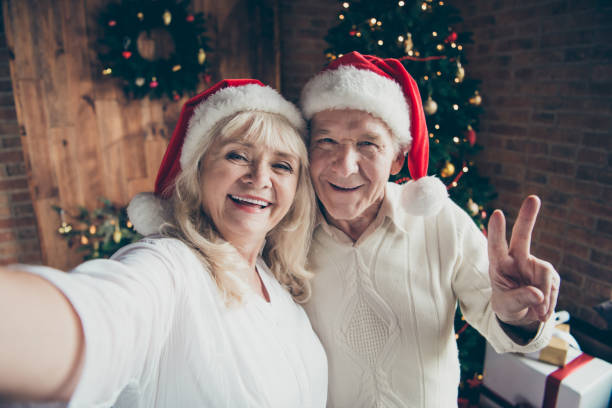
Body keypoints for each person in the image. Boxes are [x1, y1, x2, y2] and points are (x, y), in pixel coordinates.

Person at [0, 79, 327, 407]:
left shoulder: (274, 280)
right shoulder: (170, 266)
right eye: (238, 155)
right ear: (198, 172)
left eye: (281, 165)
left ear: (297, 189)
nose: (259, 178)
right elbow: (103, 317)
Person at [299, 52, 560, 407]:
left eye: (367, 144)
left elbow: (503, 329)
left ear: (397, 157)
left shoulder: (440, 221)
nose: (345, 166)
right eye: (326, 141)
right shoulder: (289, 234)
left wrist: (520, 319)